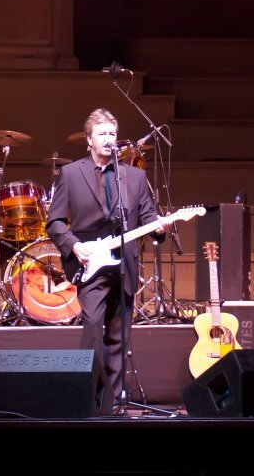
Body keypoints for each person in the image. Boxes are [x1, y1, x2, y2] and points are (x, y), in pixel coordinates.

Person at [46, 107, 166, 405]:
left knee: (119, 333)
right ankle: (88, 397)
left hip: (124, 262)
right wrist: (74, 246)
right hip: (89, 261)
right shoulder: (71, 173)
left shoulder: (134, 177)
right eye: (102, 134)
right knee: (92, 328)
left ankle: (114, 401)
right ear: (89, 140)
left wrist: (160, 228)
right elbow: (55, 222)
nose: (109, 139)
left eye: (113, 134)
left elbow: (149, 217)